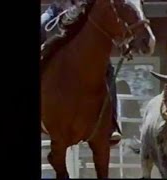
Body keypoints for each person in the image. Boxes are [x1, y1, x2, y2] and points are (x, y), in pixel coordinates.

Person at [41, 0, 122, 141]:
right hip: (59, 10)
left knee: (107, 68)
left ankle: (111, 124)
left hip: (84, 15)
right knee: (41, 25)